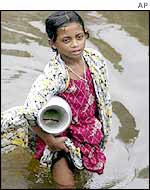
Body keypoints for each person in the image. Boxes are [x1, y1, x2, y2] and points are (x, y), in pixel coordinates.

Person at [1, 11, 112, 189]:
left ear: (86, 34)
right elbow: (30, 111)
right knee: (66, 185)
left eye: (79, 37)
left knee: (81, 176)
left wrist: (102, 130)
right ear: (53, 43)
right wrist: (51, 141)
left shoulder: (95, 60)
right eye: (66, 40)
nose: (75, 44)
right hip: (61, 138)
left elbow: (103, 98)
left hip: (87, 131)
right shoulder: (55, 75)